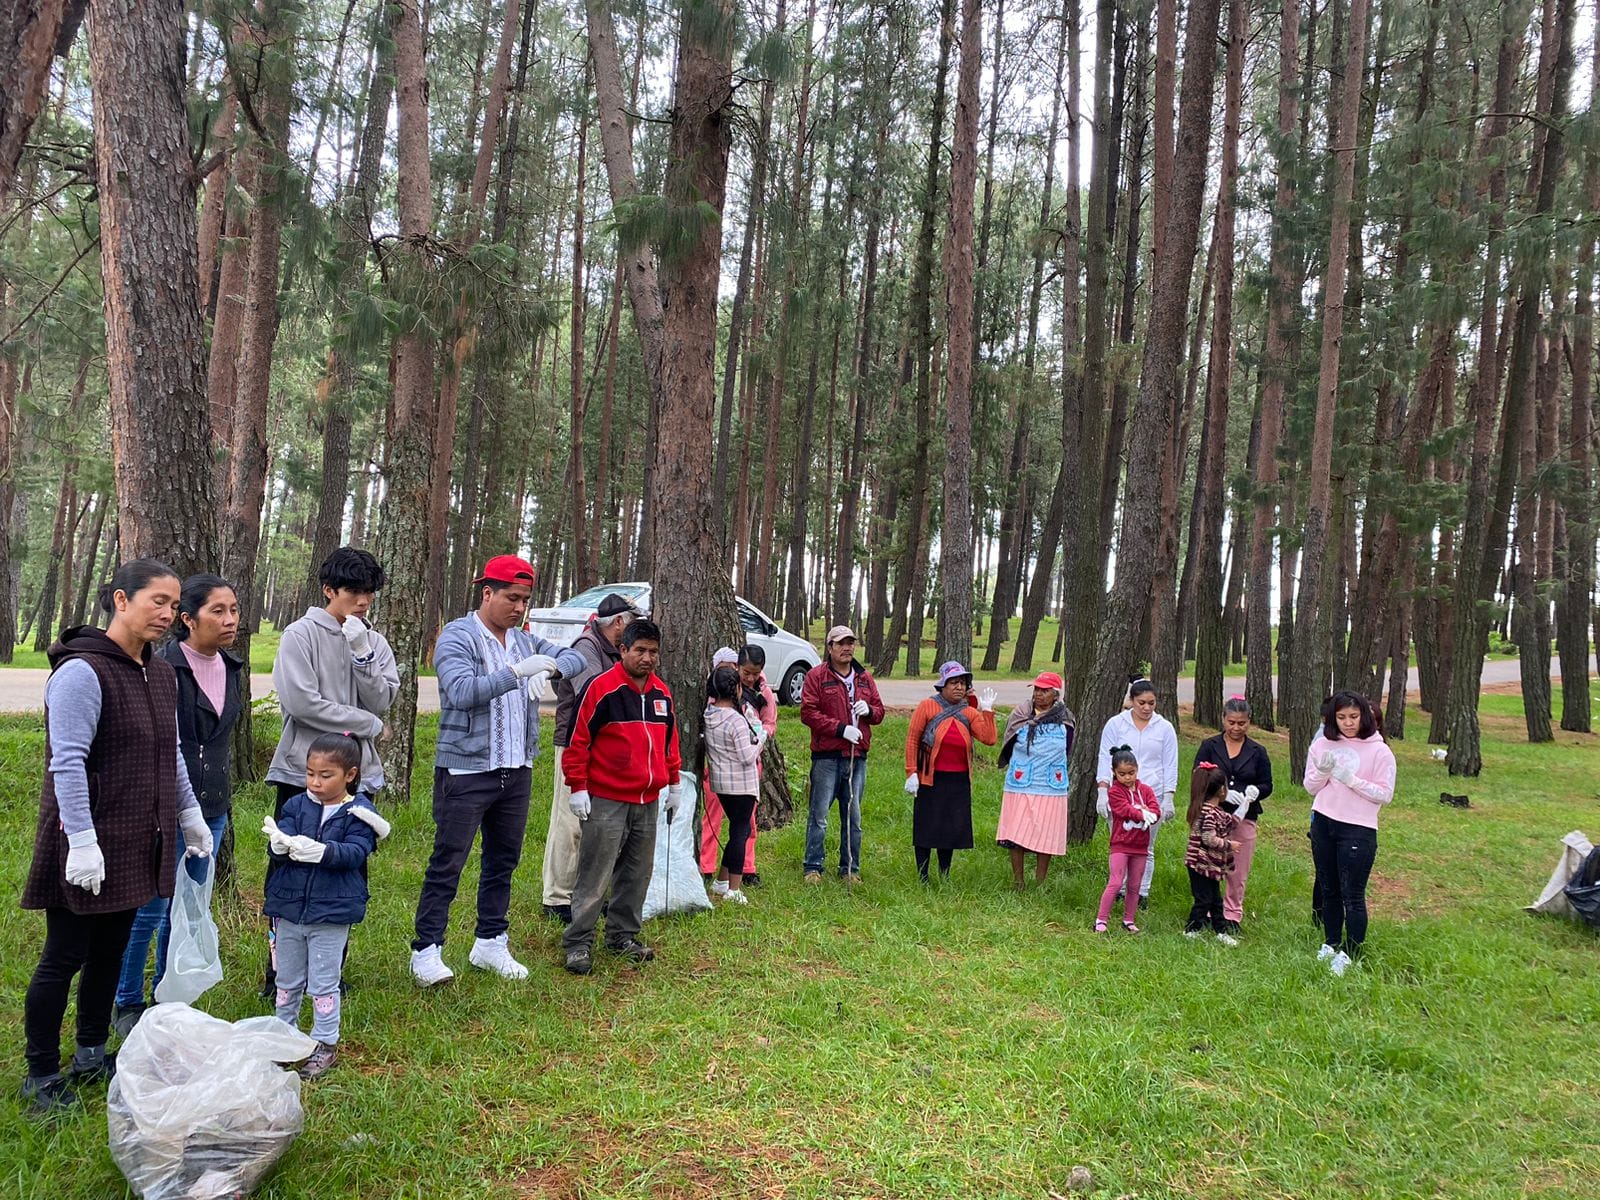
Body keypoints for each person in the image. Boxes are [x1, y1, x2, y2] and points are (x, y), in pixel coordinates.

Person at [20, 560, 213, 1115]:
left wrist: (189, 815)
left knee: (109, 953)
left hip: (139, 837)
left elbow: (168, 753)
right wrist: (81, 838)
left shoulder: (159, 672)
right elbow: (68, 761)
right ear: (121, 600)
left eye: (174, 604)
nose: (168, 613)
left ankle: (89, 1054)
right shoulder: (82, 671)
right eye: (157, 600)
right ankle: (40, 1075)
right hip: (88, 842)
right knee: (65, 956)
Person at [410, 554, 585, 986]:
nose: (519, 608)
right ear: (486, 593)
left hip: (516, 768)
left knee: (503, 860)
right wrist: (514, 674)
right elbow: (460, 690)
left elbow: (579, 659)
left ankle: (491, 940)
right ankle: (426, 949)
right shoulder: (458, 636)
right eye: (511, 597)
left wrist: (554, 666)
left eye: (525, 599)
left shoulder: (525, 640)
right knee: (448, 861)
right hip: (467, 770)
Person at [263, 545, 398, 997]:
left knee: (344, 868)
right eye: (354, 592)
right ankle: (280, 975)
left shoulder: (374, 642)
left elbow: (382, 699)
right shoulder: (300, 635)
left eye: (369, 594)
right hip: (304, 772)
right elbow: (302, 704)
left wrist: (362, 657)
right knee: (289, 865)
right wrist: (366, 724)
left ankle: (329, 972)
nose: (362, 602)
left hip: (355, 777)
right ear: (328, 590)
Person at [114, 574, 242, 1036]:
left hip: (214, 808)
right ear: (187, 619)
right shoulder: (163, 667)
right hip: (164, 808)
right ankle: (126, 1002)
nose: (230, 620)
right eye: (217, 611)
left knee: (188, 907)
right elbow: (162, 746)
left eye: (234, 610)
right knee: (150, 908)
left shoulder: (233, 667)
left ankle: (166, 997)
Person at [561, 619, 689, 975]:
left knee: (637, 872)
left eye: (653, 652)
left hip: (648, 799)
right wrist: (578, 787)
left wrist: (674, 785)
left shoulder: (662, 694)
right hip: (606, 798)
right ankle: (578, 942)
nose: (647, 658)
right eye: (640, 651)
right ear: (623, 651)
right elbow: (577, 742)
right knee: (595, 871)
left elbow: (670, 744)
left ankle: (622, 935)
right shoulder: (601, 690)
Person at [263, 733, 391, 1079]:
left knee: (323, 982)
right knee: (286, 980)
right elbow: (280, 839)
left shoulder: (360, 814)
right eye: (309, 774)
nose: (315, 782)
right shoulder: (294, 806)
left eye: (325, 775)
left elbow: (356, 852)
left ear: (349, 774)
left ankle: (324, 1042)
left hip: (331, 914)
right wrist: (279, 844)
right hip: (288, 909)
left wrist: (324, 852)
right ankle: (282, 1037)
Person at [545, 593, 639, 924]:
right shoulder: (587, 646)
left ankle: (583, 894)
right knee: (568, 822)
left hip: (600, 746)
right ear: (617, 623)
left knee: (590, 826)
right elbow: (593, 692)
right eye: (630, 624)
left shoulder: (612, 650)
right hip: (574, 743)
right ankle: (556, 897)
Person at [1304, 690, 1396, 976]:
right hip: (1323, 821)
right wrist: (1323, 772)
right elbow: (1310, 786)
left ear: (1364, 716)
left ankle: (1351, 950)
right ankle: (1331, 942)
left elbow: (1385, 794)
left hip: (1358, 828)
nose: (1347, 723)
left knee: (1351, 893)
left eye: (1353, 717)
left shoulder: (1380, 751)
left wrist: (1352, 780)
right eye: (1341, 717)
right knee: (1329, 888)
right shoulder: (1323, 745)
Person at [799, 626, 885, 883]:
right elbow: (808, 713)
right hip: (826, 757)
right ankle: (813, 867)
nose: (847, 647)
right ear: (830, 647)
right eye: (840, 643)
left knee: (853, 816)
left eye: (850, 642)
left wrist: (869, 710)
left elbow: (880, 712)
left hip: (857, 757)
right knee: (819, 815)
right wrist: (840, 729)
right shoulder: (816, 676)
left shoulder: (864, 678)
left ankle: (850, 869)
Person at [903, 662, 998, 882]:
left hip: (958, 779)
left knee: (950, 828)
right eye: (953, 682)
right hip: (930, 778)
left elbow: (989, 738)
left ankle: (944, 874)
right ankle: (923, 875)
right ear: (942, 685)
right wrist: (911, 772)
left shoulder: (969, 712)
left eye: (963, 683)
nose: (959, 687)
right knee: (927, 826)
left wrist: (987, 711)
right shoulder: (927, 706)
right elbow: (913, 739)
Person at [1095, 676, 1179, 907]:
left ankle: (1141, 891)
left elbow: (1170, 763)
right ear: (1132, 700)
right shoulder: (1116, 724)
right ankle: (1121, 887)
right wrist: (1103, 789)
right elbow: (1105, 757)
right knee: (1121, 843)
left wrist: (1168, 797)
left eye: (1151, 703)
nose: (1146, 708)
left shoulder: (1164, 728)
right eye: (1141, 702)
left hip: (1152, 793)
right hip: (1121, 794)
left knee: (1145, 845)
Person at [1193, 695, 1274, 935]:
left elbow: (1267, 784)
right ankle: (1208, 909)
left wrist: (1256, 791)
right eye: (1231, 722)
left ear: (1249, 722)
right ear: (1223, 720)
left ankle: (1232, 912)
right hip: (1212, 814)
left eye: (1241, 723)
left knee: (1237, 867)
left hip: (1244, 816)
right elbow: (1198, 774)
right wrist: (1220, 794)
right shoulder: (1210, 746)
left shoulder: (1258, 751)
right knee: (1209, 863)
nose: (1236, 728)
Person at [700, 645, 778, 886]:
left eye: (755, 673)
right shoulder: (722, 690)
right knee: (713, 815)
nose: (750, 677)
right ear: (737, 667)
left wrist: (761, 734)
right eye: (746, 672)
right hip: (721, 764)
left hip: (748, 765)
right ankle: (706, 864)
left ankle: (746, 866)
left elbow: (770, 723)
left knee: (746, 822)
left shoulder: (763, 694)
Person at [996, 671, 1075, 890]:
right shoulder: (1021, 714)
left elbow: (1068, 748)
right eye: (1037, 690)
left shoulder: (1065, 718)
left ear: (1055, 694)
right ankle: (1018, 881)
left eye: (1045, 690)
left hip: (1051, 784)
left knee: (1047, 832)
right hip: (1021, 782)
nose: (1039, 695)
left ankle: (1041, 882)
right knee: (1015, 831)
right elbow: (1010, 742)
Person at [1094, 746, 1158, 934]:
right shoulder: (1114, 792)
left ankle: (1129, 920)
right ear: (1114, 773)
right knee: (1116, 881)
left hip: (1140, 846)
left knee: (1134, 885)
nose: (1127, 777)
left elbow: (1156, 809)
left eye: (1131, 773)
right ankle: (1101, 919)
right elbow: (1123, 809)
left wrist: (1150, 812)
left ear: (1137, 770)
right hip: (1120, 845)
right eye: (1122, 774)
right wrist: (1141, 812)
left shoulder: (1145, 790)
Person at [1183, 762, 1242, 944]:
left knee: (1216, 899)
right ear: (1221, 790)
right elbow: (1209, 839)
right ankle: (1191, 930)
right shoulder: (1209, 814)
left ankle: (1221, 931)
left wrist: (1246, 803)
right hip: (1200, 864)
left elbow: (1232, 821)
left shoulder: (1211, 810)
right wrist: (1228, 844)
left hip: (1209, 865)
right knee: (1203, 899)